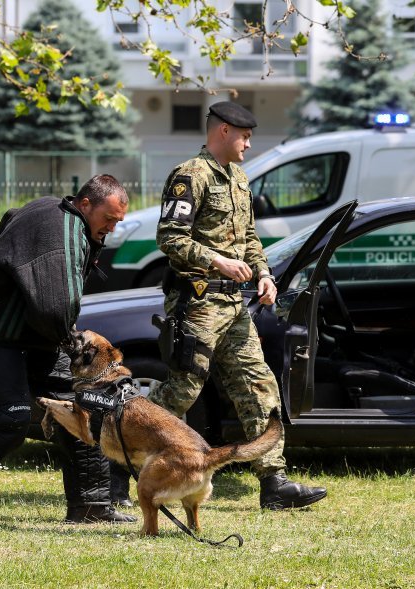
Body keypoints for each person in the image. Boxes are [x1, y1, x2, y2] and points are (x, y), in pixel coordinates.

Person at [0, 174, 137, 526]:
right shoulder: (64, 230)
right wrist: (72, 344)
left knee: (86, 404)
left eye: (118, 221)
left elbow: (6, 223)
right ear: (86, 204)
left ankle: (92, 506)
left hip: (33, 336)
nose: (112, 228)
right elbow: (56, 305)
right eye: (109, 219)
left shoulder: (50, 208)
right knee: (11, 418)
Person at [147, 101, 328, 510]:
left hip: (233, 304)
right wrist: (217, 261)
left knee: (258, 384)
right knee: (183, 388)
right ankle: (114, 455)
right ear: (224, 131)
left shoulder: (238, 177)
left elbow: (249, 238)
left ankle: (274, 483)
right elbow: (170, 238)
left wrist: (264, 274)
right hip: (197, 301)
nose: (248, 144)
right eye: (244, 136)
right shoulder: (189, 176)